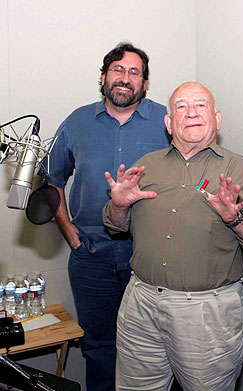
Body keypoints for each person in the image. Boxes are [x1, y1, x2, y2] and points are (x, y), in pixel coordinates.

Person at [102, 81, 243, 391]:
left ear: (217, 118)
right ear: (169, 122)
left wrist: (235, 218)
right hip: (140, 303)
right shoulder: (146, 166)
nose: (191, 113)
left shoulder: (239, 169)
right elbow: (115, 224)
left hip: (206, 313)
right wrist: (118, 206)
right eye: (181, 107)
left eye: (201, 105)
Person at [45, 42, 170, 391]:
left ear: (144, 83)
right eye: (118, 70)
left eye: (134, 72)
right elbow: (51, 181)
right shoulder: (77, 121)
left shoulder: (166, 121)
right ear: (103, 77)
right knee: (99, 350)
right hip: (91, 259)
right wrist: (69, 230)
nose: (125, 79)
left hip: (149, 259)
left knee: (152, 352)